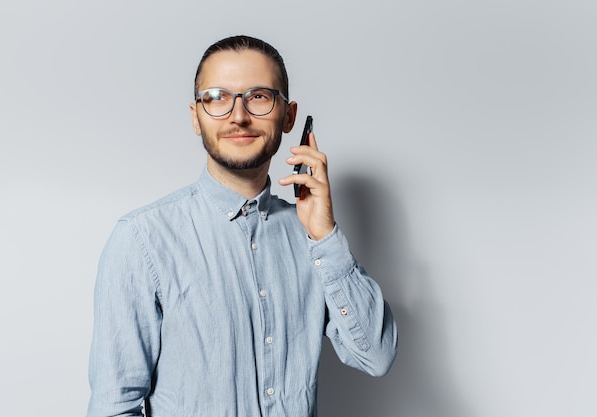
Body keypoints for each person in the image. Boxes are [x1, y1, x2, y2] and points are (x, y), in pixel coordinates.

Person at [86, 35, 397, 417]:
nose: (238, 116)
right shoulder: (142, 239)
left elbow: (377, 356)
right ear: (195, 117)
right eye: (217, 97)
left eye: (259, 96)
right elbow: (115, 407)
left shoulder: (312, 240)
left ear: (288, 116)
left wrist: (325, 235)